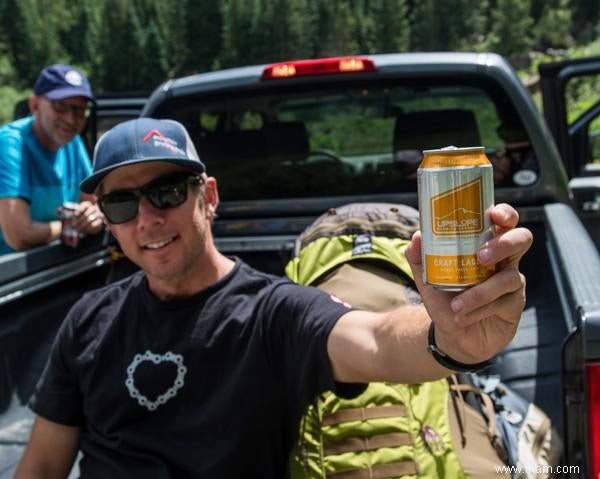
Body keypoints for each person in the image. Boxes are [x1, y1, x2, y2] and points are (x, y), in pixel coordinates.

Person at [14, 118, 532, 478]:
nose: (147, 218)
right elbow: (39, 467)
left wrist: (452, 339)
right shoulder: (89, 319)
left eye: (167, 191)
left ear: (208, 197)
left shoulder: (272, 312)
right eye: (122, 203)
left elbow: (373, 340)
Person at [0, 64, 104, 255]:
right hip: (12, 278)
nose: (71, 119)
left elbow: (92, 202)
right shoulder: (10, 144)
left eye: (80, 110)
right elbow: (18, 236)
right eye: (61, 106)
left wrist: (95, 216)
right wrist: (72, 226)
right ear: (35, 105)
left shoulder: (73, 141)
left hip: (57, 268)